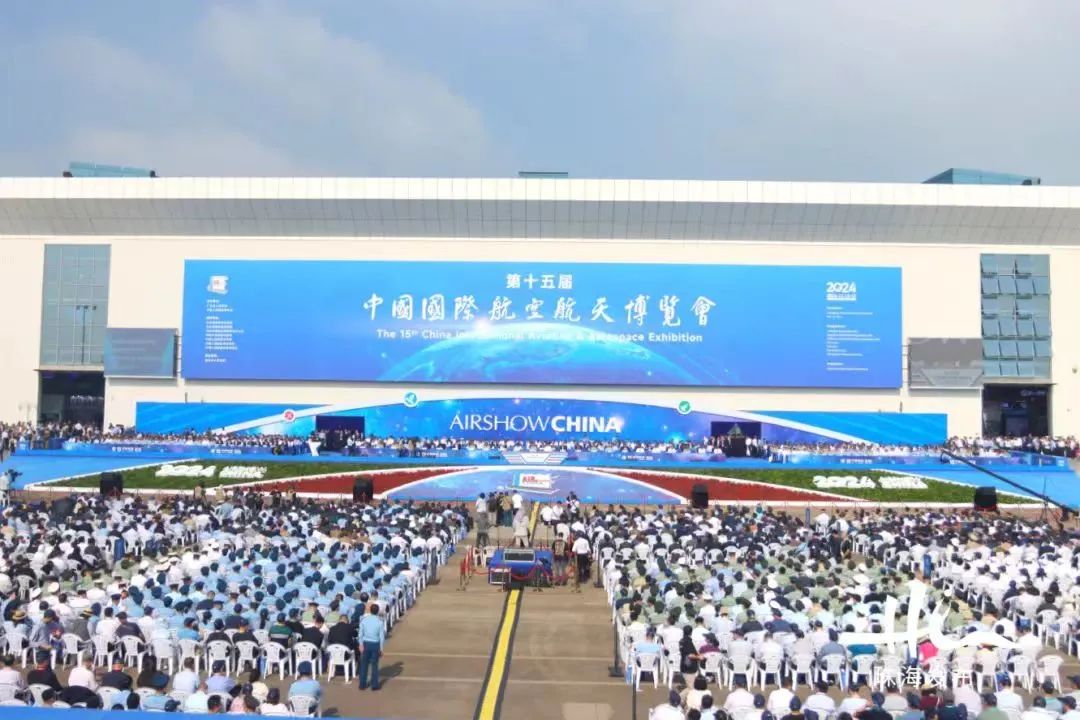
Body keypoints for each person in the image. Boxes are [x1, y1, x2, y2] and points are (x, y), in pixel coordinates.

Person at [358, 603, 386, 691]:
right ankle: (374, 685)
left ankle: (362, 684)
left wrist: (360, 644)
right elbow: (381, 637)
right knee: (374, 665)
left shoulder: (364, 620)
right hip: (375, 644)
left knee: (364, 665)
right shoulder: (380, 622)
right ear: (377, 611)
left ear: (370, 610)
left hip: (366, 643)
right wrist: (381, 648)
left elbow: (360, 634)